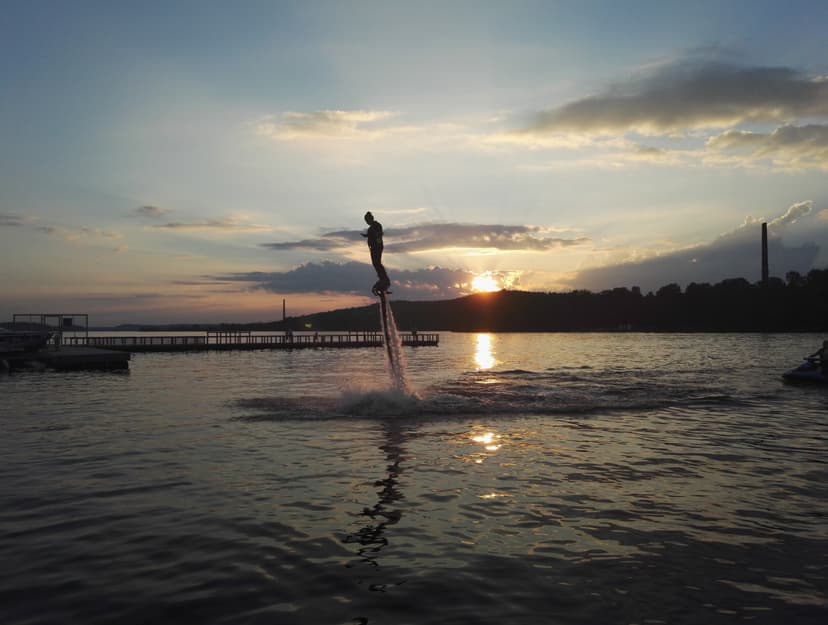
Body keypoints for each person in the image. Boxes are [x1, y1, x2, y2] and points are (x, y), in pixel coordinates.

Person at [362, 211, 391, 295]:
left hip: (377, 247)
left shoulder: (376, 225)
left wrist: (375, 237)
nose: (367, 222)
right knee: (376, 264)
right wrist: (367, 236)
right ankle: (382, 278)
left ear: (371, 219)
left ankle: (384, 279)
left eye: (367, 220)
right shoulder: (371, 228)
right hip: (373, 247)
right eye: (366, 221)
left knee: (377, 263)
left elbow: (378, 234)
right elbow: (373, 234)